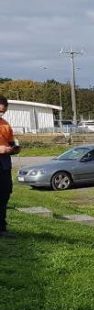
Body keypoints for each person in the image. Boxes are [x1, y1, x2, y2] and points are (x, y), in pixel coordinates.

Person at [0, 96, 21, 238]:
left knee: (4, 195)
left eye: (3, 112)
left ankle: (2, 228)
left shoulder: (6, 125)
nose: (1, 114)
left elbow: (11, 142)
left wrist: (15, 149)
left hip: (4, 165)